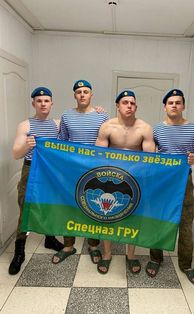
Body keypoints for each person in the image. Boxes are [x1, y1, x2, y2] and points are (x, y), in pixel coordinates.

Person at [146, 88, 194, 285]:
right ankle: (156, 258)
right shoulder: (155, 129)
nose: (174, 105)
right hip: (161, 180)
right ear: (165, 107)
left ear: (183, 106)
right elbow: (149, 153)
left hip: (184, 181)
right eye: (170, 103)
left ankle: (186, 265)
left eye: (178, 102)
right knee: (157, 219)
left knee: (185, 224)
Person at [95, 90, 156, 274]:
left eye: (132, 103)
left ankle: (131, 255)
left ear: (136, 107)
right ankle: (107, 254)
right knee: (107, 215)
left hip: (134, 179)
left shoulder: (144, 128)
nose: (129, 106)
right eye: (125, 102)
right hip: (110, 177)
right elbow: (98, 157)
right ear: (117, 105)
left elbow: (150, 160)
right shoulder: (107, 127)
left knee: (133, 217)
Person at [52, 80, 109, 264]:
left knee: (92, 206)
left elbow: (109, 141)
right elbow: (62, 143)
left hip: (94, 170)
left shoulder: (102, 116)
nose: (82, 94)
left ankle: (93, 245)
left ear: (91, 94)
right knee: (69, 205)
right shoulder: (67, 116)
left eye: (86, 91)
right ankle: (68, 245)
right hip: (72, 169)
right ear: (74, 95)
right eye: (79, 92)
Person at [9, 87, 64, 275]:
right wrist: (27, 145)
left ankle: (50, 238)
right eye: (39, 101)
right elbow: (16, 153)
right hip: (31, 168)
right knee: (26, 209)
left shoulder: (57, 125)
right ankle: (19, 251)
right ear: (33, 103)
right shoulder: (26, 125)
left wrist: (99, 110)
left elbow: (78, 122)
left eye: (46, 100)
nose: (43, 104)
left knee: (49, 205)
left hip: (49, 171)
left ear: (51, 103)